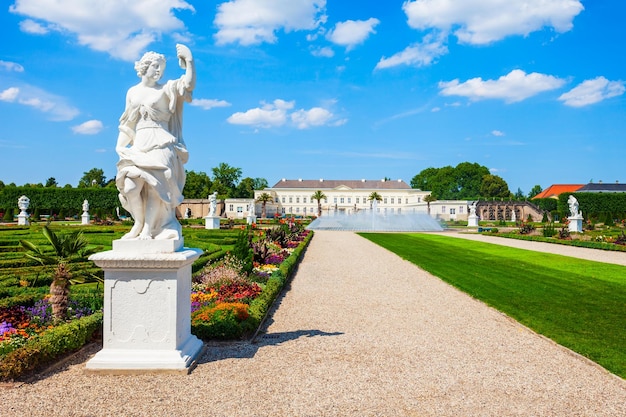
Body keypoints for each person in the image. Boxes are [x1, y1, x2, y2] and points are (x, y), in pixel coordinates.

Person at [115, 44, 195, 240]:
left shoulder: (167, 89)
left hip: (161, 141)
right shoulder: (132, 92)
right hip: (139, 144)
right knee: (131, 186)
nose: (159, 71)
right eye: (156, 66)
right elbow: (128, 123)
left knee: (155, 186)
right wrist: (119, 145)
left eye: (162, 68)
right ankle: (139, 223)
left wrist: (189, 61)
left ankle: (148, 230)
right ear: (145, 67)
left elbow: (188, 85)